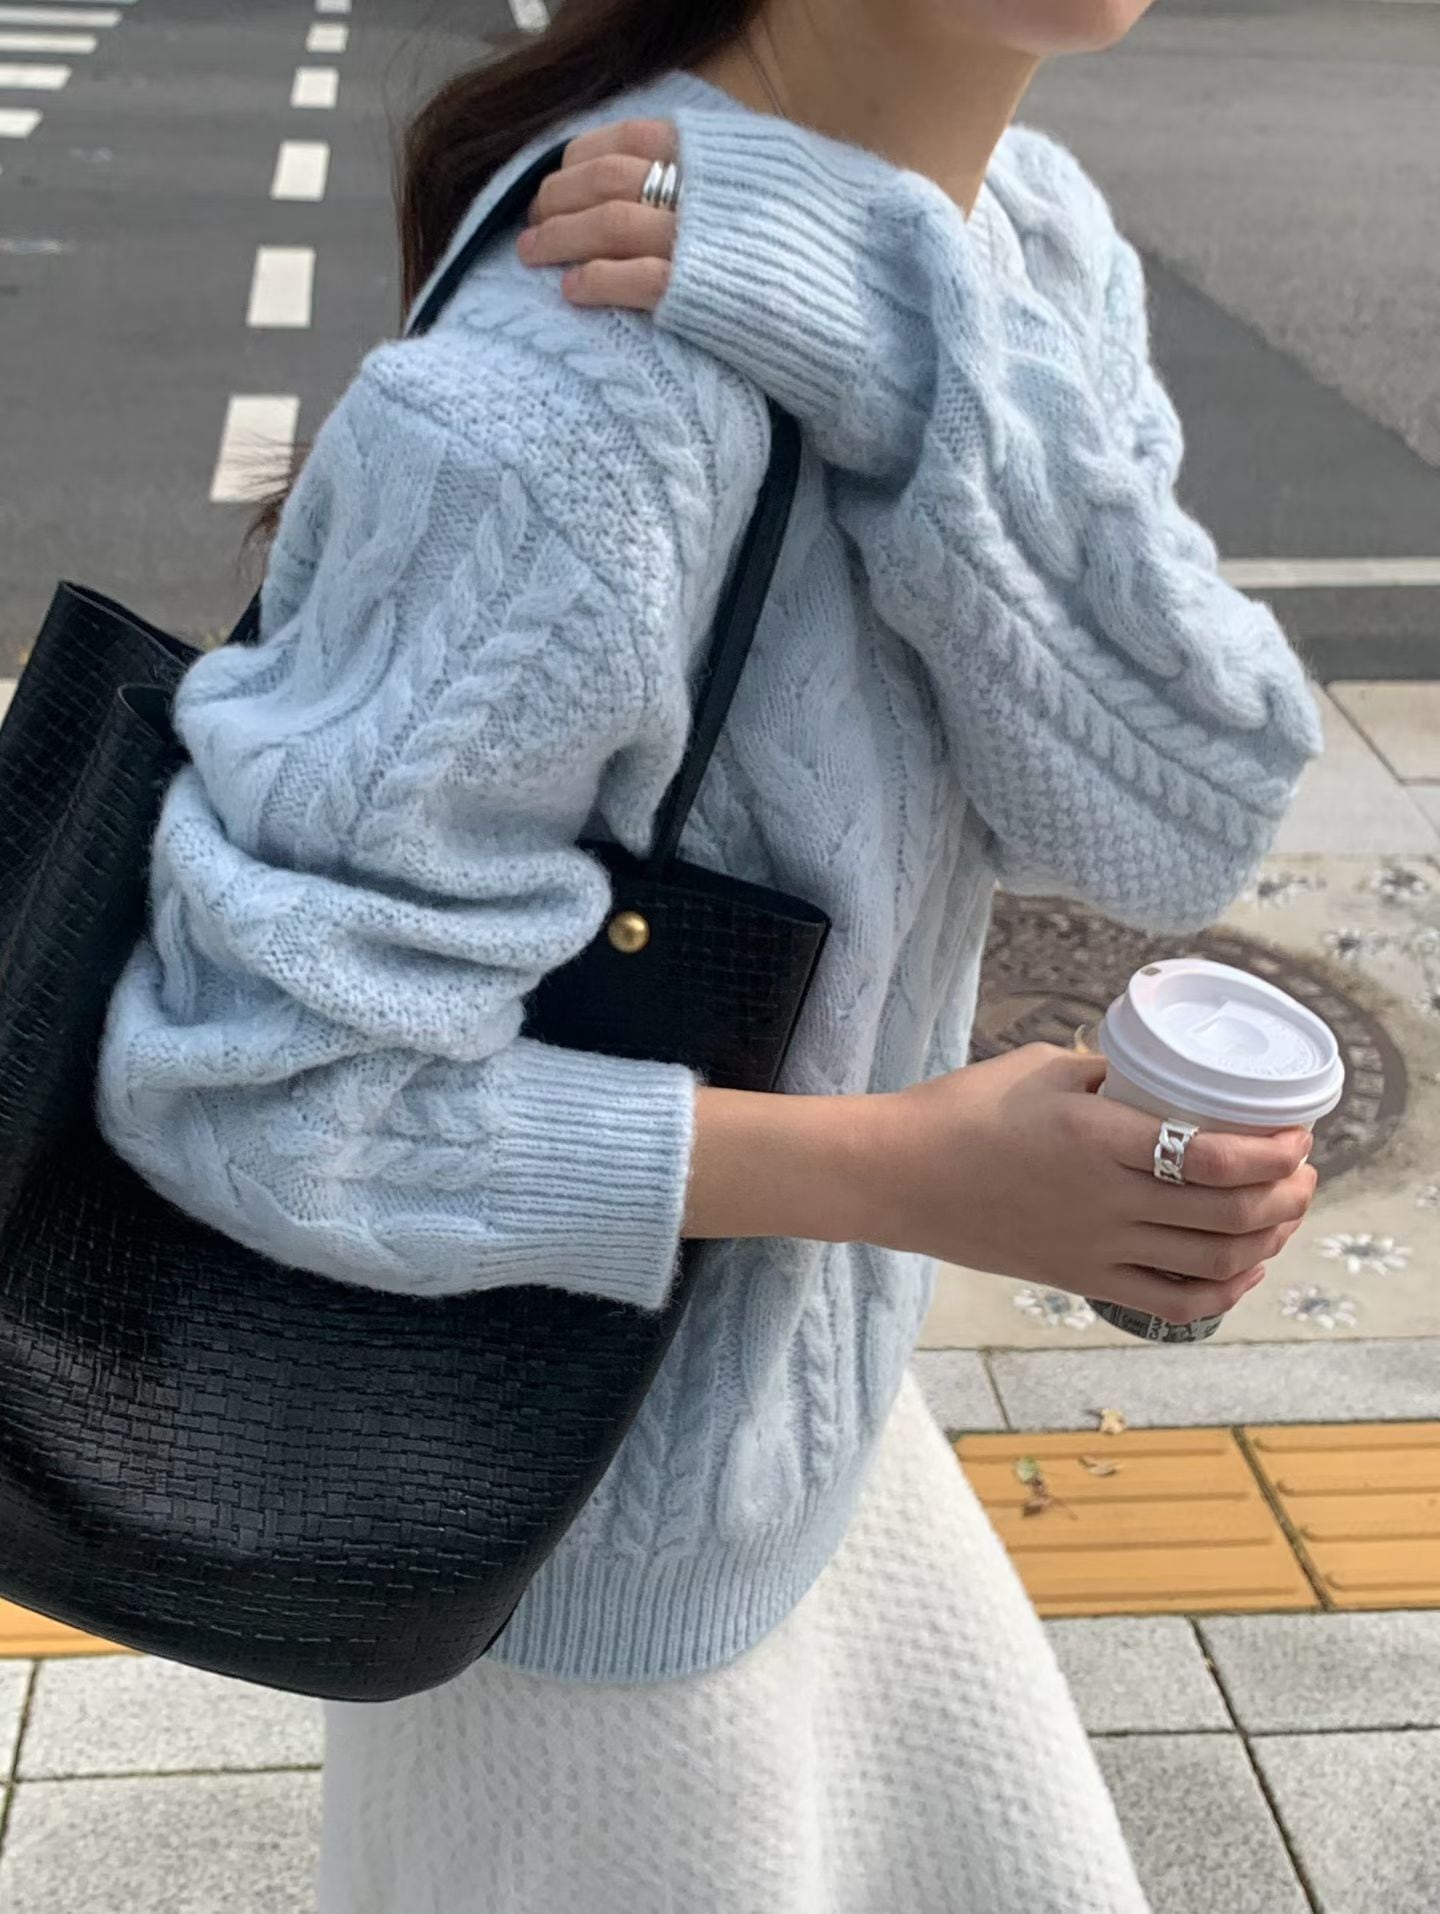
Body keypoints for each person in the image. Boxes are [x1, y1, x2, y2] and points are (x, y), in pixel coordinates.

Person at [95, 2, 1324, 1909]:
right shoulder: (573, 395)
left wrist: (906, 354)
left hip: (816, 1441)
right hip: (566, 1582)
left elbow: (1182, 819)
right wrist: (909, 1174)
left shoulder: (1023, 245)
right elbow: (249, 1092)